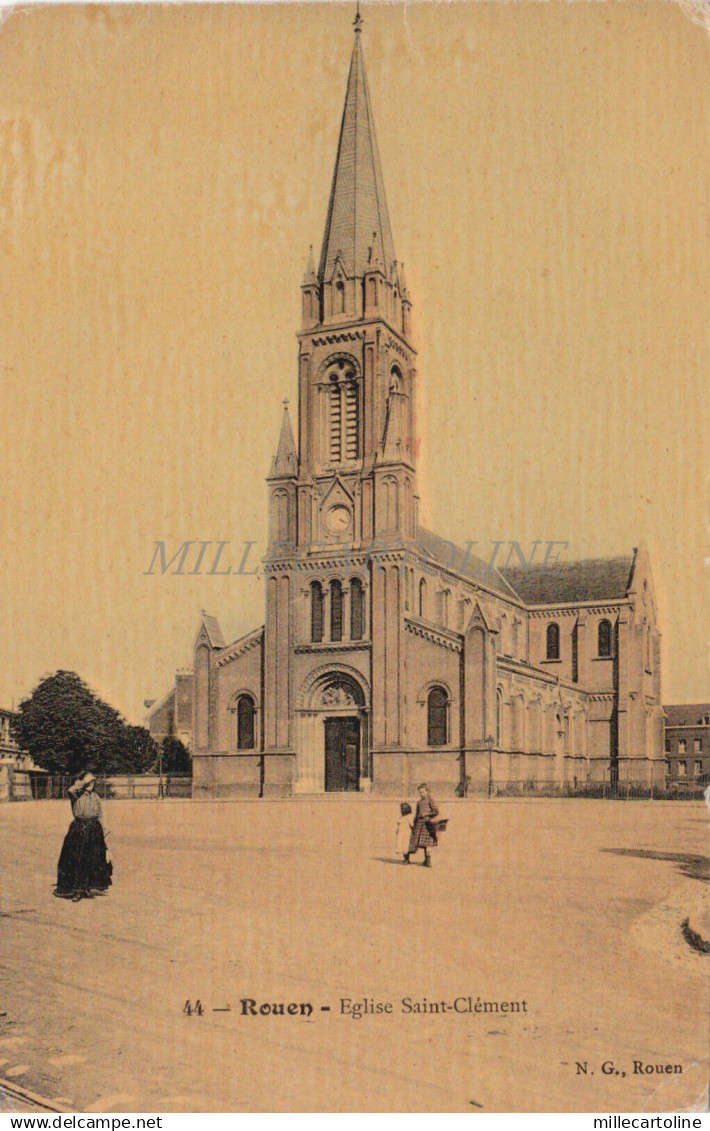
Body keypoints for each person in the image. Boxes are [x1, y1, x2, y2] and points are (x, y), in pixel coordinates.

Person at [55, 772, 112, 901]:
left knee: (92, 859)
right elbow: (71, 789)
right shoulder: (75, 795)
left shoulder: (96, 797)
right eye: (88, 782)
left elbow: (100, 815)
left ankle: (87, 886)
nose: (91, 784)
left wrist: (104, 831)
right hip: (79, 829)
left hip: (94, 829)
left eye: (93, 782)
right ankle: (77, 890)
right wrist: (84, 780)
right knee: (77, 859)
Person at [405, 782, 439, 867]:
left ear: (427, 792)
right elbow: (417, 814)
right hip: (420, 824)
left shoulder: (430, 800)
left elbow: (436, 811)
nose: (421, 794)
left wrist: (427, 815)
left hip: (427, 824)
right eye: (420, 792)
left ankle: (428, 861)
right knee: (422, 842)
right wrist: (414, 823)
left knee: (427, 843)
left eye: (423, 792)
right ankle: (425, 860)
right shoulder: (419, 802)